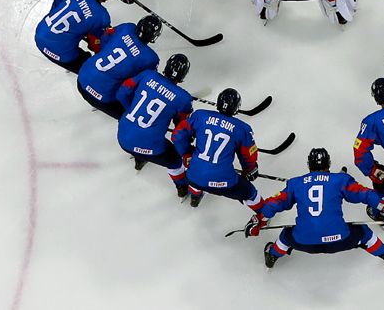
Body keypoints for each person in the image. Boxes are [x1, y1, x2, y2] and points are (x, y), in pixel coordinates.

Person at [246, 147, 384, 269]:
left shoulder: (295, 183)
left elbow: (274, 204)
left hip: (303, 241)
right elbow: (365, 194)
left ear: (309, 165)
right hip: (339, 240)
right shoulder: (340, 180)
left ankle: (272, 256)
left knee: (286, 236)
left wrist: (260, 220)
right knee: (364, 232)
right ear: (329, 164)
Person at [116, 53, 196, 198]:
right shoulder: (184, 98)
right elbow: (180, 128)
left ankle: (139, 158)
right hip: (148, 143)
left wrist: (130, 110)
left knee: (138, 137)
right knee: (174, 160)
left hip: (123, 135)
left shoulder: (147, 75)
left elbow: (122, 93)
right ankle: (182, 187)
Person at [173, 88, 266, 211]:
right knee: (250, 192)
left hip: (192, 176)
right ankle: (263, 215)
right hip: (223, 182)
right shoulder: (242, 128)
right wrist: (249, 170)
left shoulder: (200, 115)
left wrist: (186, 153)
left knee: (197, 174)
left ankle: (195, 197)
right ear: (237, 107)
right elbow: (248, 155)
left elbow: (177, 136)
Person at [76, 15, 163, 119]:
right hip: (102, 98)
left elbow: (105, 36)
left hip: (82, 79)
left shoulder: (127, 27)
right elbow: (143, 82)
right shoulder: (151, 58)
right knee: (131, 111)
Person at [33, 0, 120, 73]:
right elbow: (95, 44)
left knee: (82, 28)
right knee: (88, 67)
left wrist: (55, 10)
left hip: (41, 32)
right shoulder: (101, 17)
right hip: (58, 51)